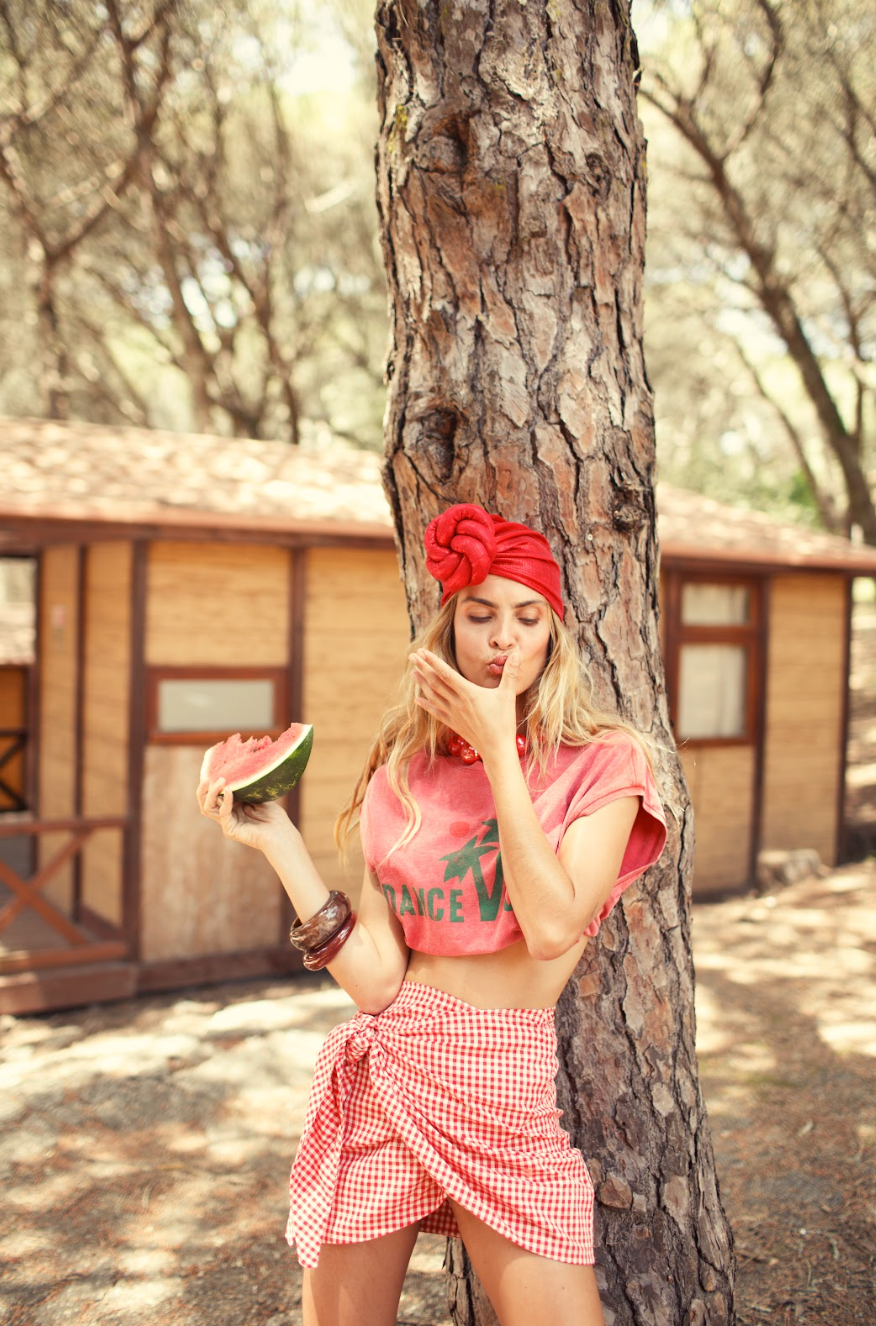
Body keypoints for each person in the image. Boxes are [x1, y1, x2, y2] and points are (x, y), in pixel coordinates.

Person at [197, 502, 666, 1326]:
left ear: (554, 635)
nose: (502, 638)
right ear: (449, 629)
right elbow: (378, 980)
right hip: (389, 1062)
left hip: (502, 1081)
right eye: (480, 615)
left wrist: (499, 753)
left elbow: (553, 928)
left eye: (526, 617)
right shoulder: (403, 766)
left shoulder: (603, 762)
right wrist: (279, 843)